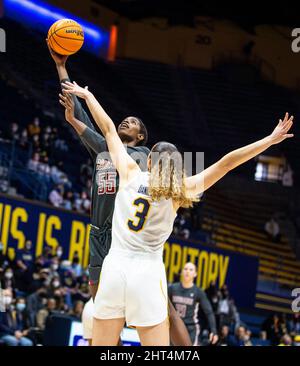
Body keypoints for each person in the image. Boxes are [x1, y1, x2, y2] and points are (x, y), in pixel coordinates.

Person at [62, 80, 294, 346]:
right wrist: (270, 140)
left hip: (114, 268)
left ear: (149, 160)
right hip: (147, 274)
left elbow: (108, 129)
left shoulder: (130, 173)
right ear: (176, 167)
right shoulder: (180, 191)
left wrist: (88, 96)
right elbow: (228, 162)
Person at [48, 42, 192, 346]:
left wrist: (80, 121)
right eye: (124, 119)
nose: (128, 121)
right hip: (97, 233)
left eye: (135, 123)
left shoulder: (139, 157)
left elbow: (102, 128)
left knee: (162, 311)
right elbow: (83, 116)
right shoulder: (104, 151)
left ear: (142, 138)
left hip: (126, 239)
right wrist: (62, 67)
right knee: (101, 307)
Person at [168, 262, 218, 345]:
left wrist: (214, 331)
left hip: (190, 329)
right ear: (182, 272)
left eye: (191, 270)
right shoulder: (172, 288)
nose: (187, 271)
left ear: (195, 274)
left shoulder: (198, 292)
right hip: (173, 327)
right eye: (185, 269)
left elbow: (209, 312)